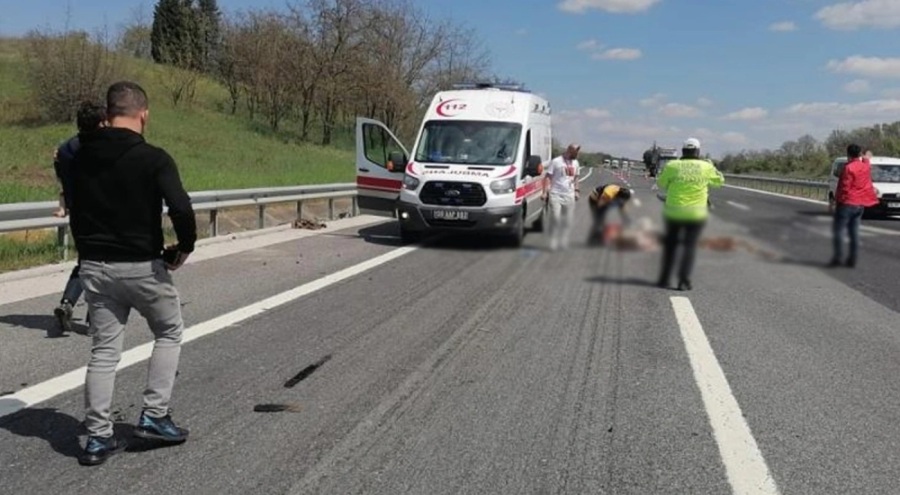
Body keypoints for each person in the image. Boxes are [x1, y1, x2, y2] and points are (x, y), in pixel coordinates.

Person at [69, 81, 197, 466]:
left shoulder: (76, 158)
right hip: (142, 266)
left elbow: (74, 209)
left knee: (105, 351)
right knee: (169, 330)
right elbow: (181, 208)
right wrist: (183, 247)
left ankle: (97, 438)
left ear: (108, 114)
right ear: (143, 114)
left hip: (93, 266)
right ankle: (155, 416)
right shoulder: (154, 158)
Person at [50, 101, 107, 337]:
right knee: (103, 267)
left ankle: (68, 303)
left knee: (86, 262)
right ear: (101, 123)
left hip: (78, 216)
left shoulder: (65, 150)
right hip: (103, 214)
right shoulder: (102, 149)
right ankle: (96, 319)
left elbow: (61, 176)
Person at [656, 138, 724, 290]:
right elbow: (719, 182)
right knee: (689, 246)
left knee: (671, 245)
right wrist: (712, 166)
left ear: (683, 151)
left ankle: (664, 278)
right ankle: (683, 280)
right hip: (696, 213)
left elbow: (661, 183)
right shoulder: (706, 166)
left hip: (674, 211)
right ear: (698, 151)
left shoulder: (673, 165)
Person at [829, 144, 878, 268]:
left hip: (847, 203)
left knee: (839, 231)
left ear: (848, 154)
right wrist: (865, 156)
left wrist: (836, 201)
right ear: (859, 154)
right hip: (860, 204)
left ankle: (838, 258)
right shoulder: (865, 166)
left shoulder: (848, 168)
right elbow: (867, 160)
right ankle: (852, 260)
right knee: (854, 232)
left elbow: (844, 187)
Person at [542, 143, 581, 251]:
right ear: (569, 150)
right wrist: (545, 192)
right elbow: (548, 177)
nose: (577, 155)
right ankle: (553, 241)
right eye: (575, 153)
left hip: (569, 195)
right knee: (555, 218)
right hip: (556, 194)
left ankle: (563, 240)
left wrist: (577, 191)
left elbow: (576, 178)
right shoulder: (556, 161)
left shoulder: (576, 163)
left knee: (568, 220)